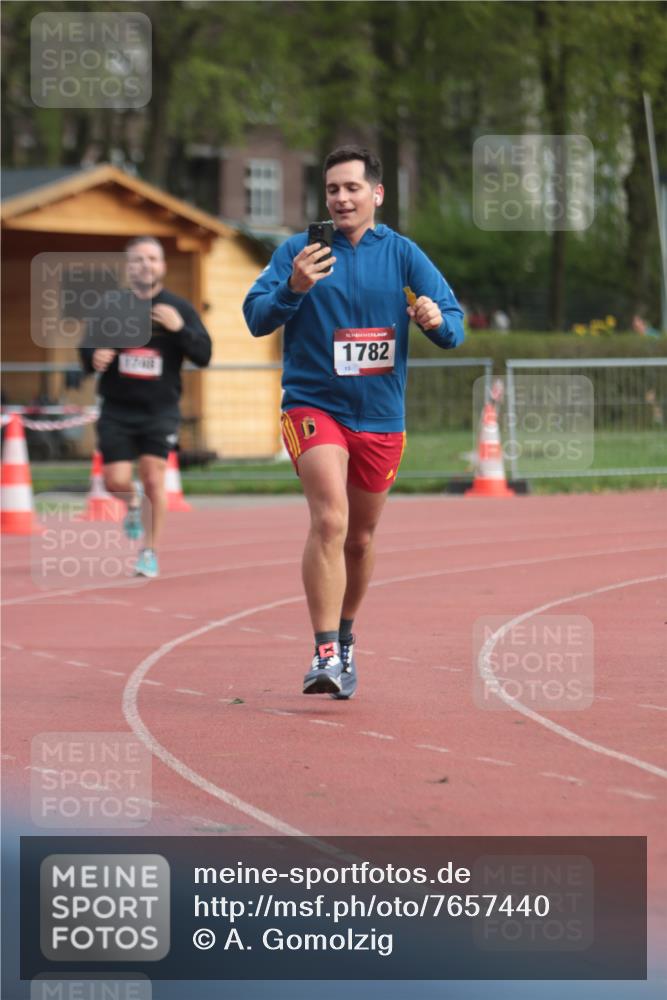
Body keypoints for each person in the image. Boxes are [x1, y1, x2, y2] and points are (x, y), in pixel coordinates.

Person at [243, 145, 464, 698]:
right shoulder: (299, 251)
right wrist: (293, 288)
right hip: (314, 406)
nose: (341, 198)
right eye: (333, 189)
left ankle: (343, 639)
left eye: (352, 188)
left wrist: (435, 319)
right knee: (330, 520)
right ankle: (322, 653)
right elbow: (254, 316)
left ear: (376, 194)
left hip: (382, 415)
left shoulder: (403, 255)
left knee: (360, 540)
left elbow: (453, 323)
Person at [79, 236, 212, 578]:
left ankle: (148, 552)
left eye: (152, 259)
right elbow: (86, 351)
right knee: (114, 481)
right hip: (117, 410)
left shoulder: (177, 308)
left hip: (160, 410)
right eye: (138, 260)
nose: (145, 265)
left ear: (162, 266)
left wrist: (179, 329)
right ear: (128, 267)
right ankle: (133, 503)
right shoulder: (111, 306)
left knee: (154, 477)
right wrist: (94, 356)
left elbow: (204, 355)